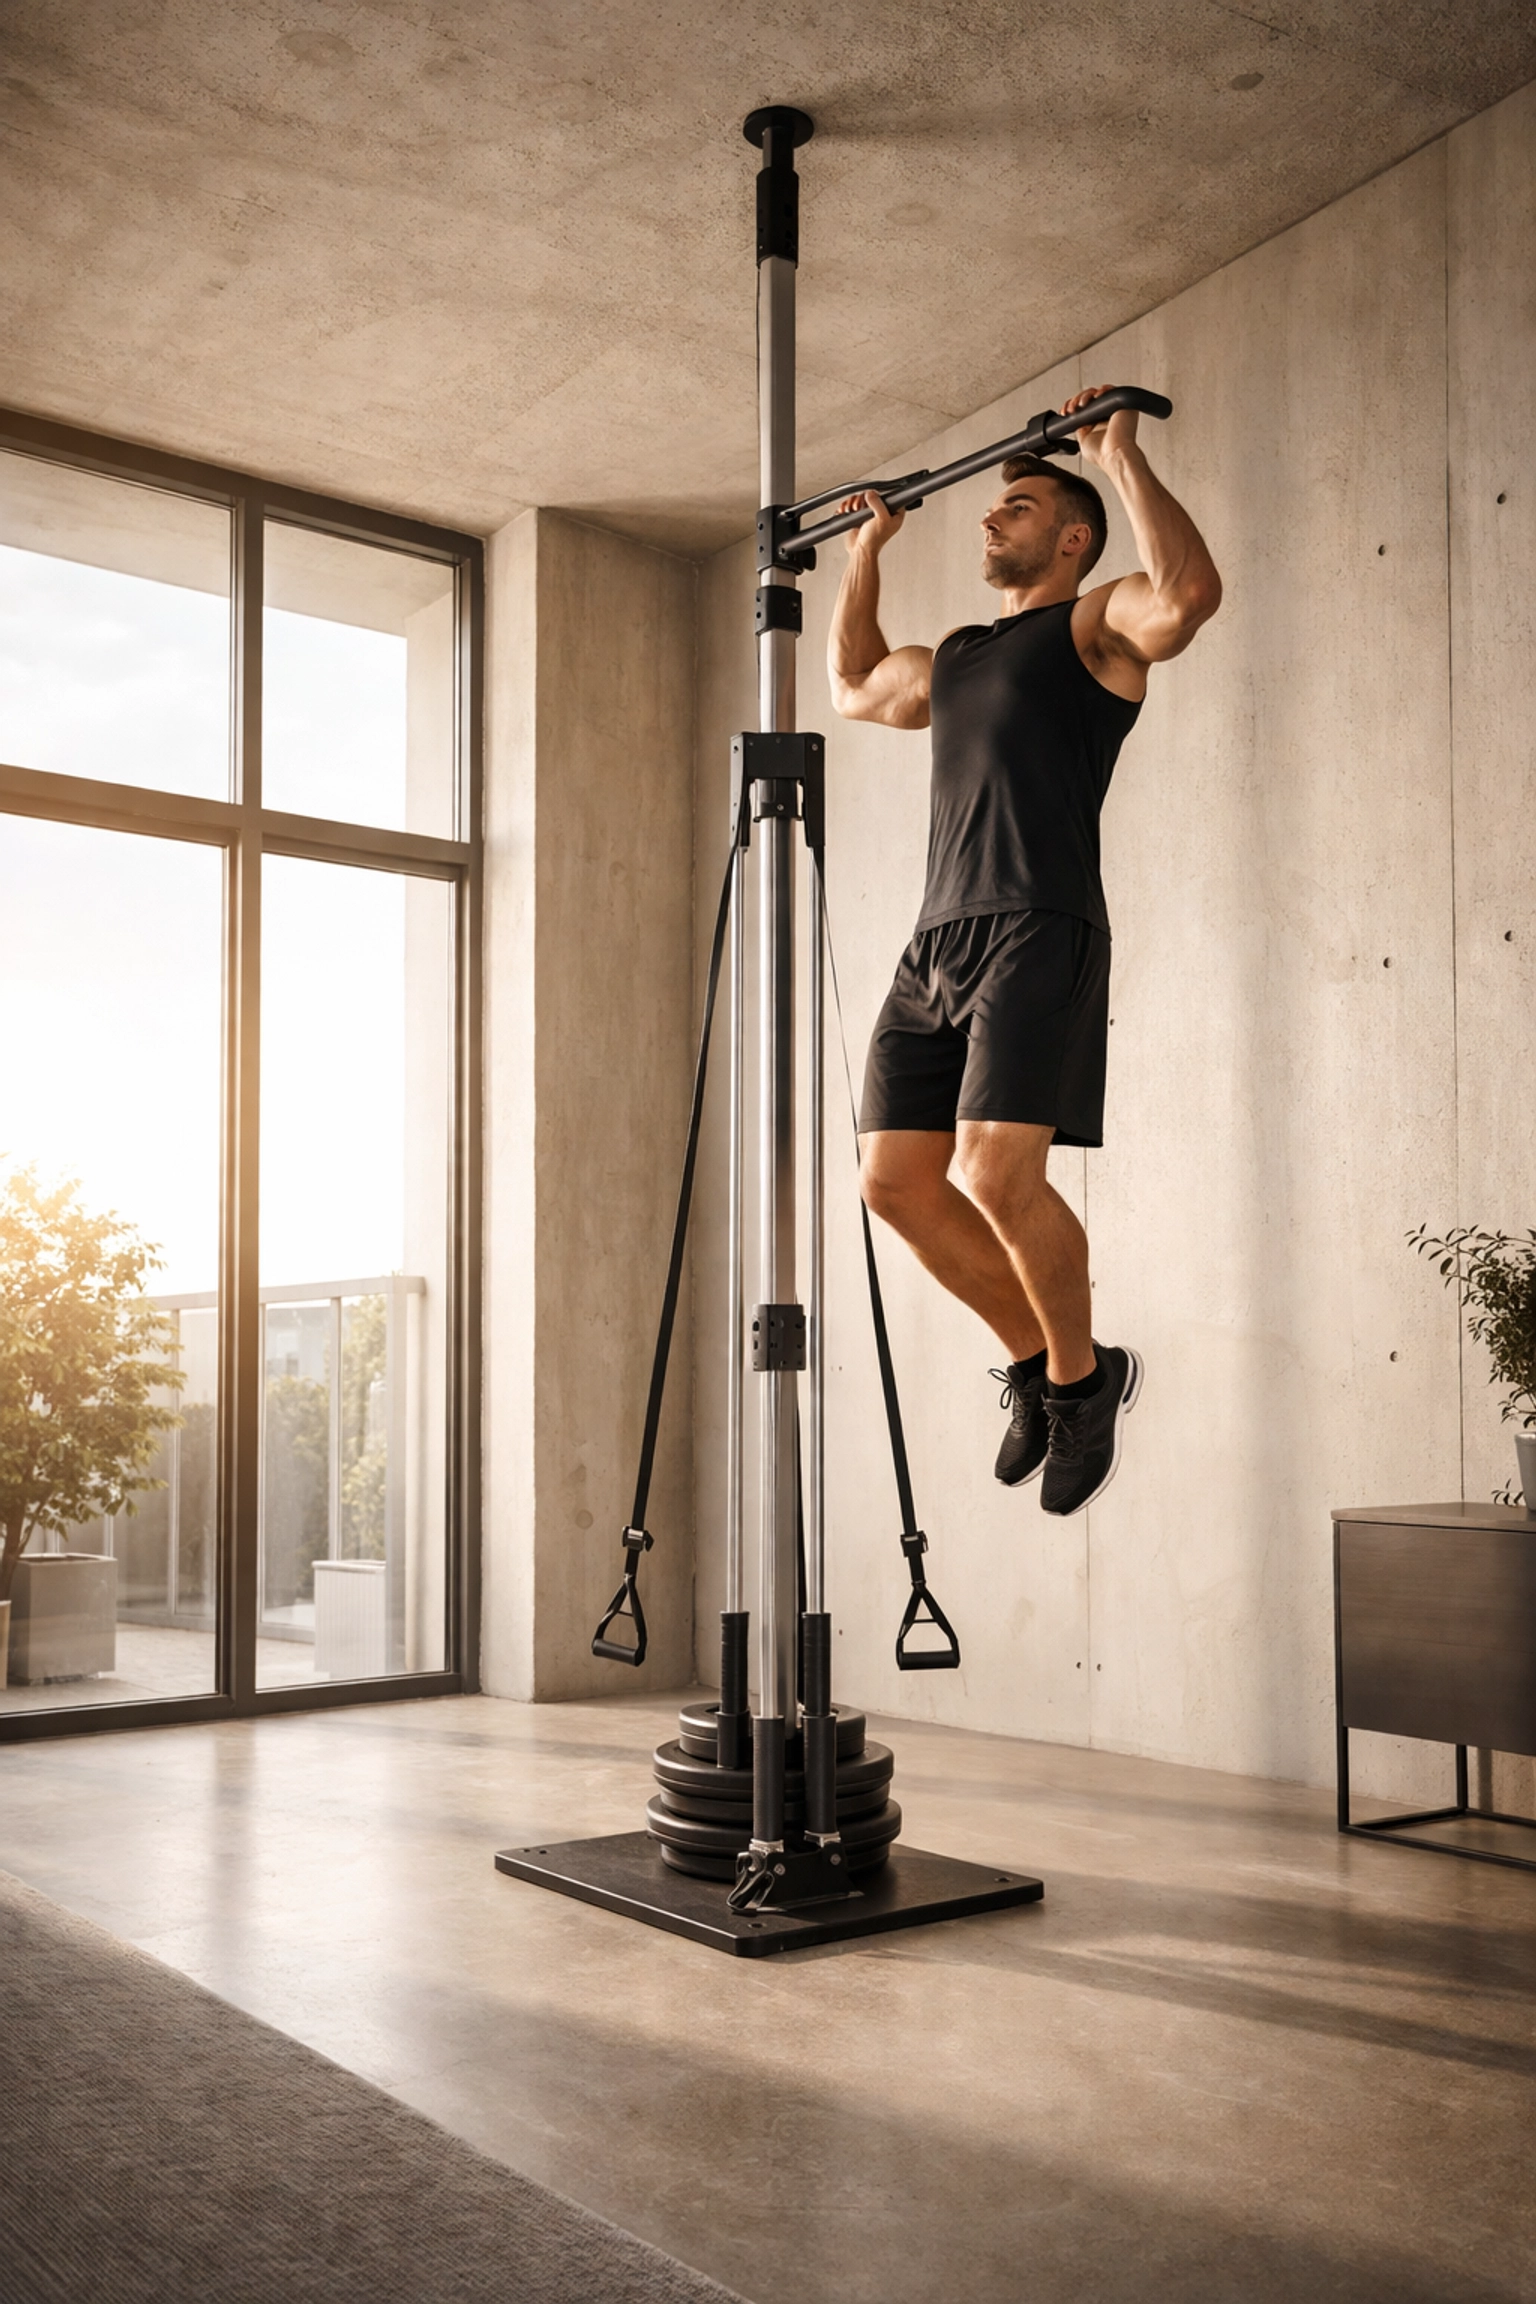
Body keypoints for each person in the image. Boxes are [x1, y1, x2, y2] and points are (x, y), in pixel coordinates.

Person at [827, 385, 1221, 1515]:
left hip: (1039, 923)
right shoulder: (953, 654)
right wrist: (867, 549)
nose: (992, 521)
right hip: (933, 941)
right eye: (995, 507)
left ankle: (1080, 1383)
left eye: (1018, 505)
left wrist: (1119, 456)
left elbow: (1190, 595)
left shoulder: (1095, 629)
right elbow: (854, 686)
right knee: (894, 1185)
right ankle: (1058, 1370)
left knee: (996, 1171)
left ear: (1074, 534)